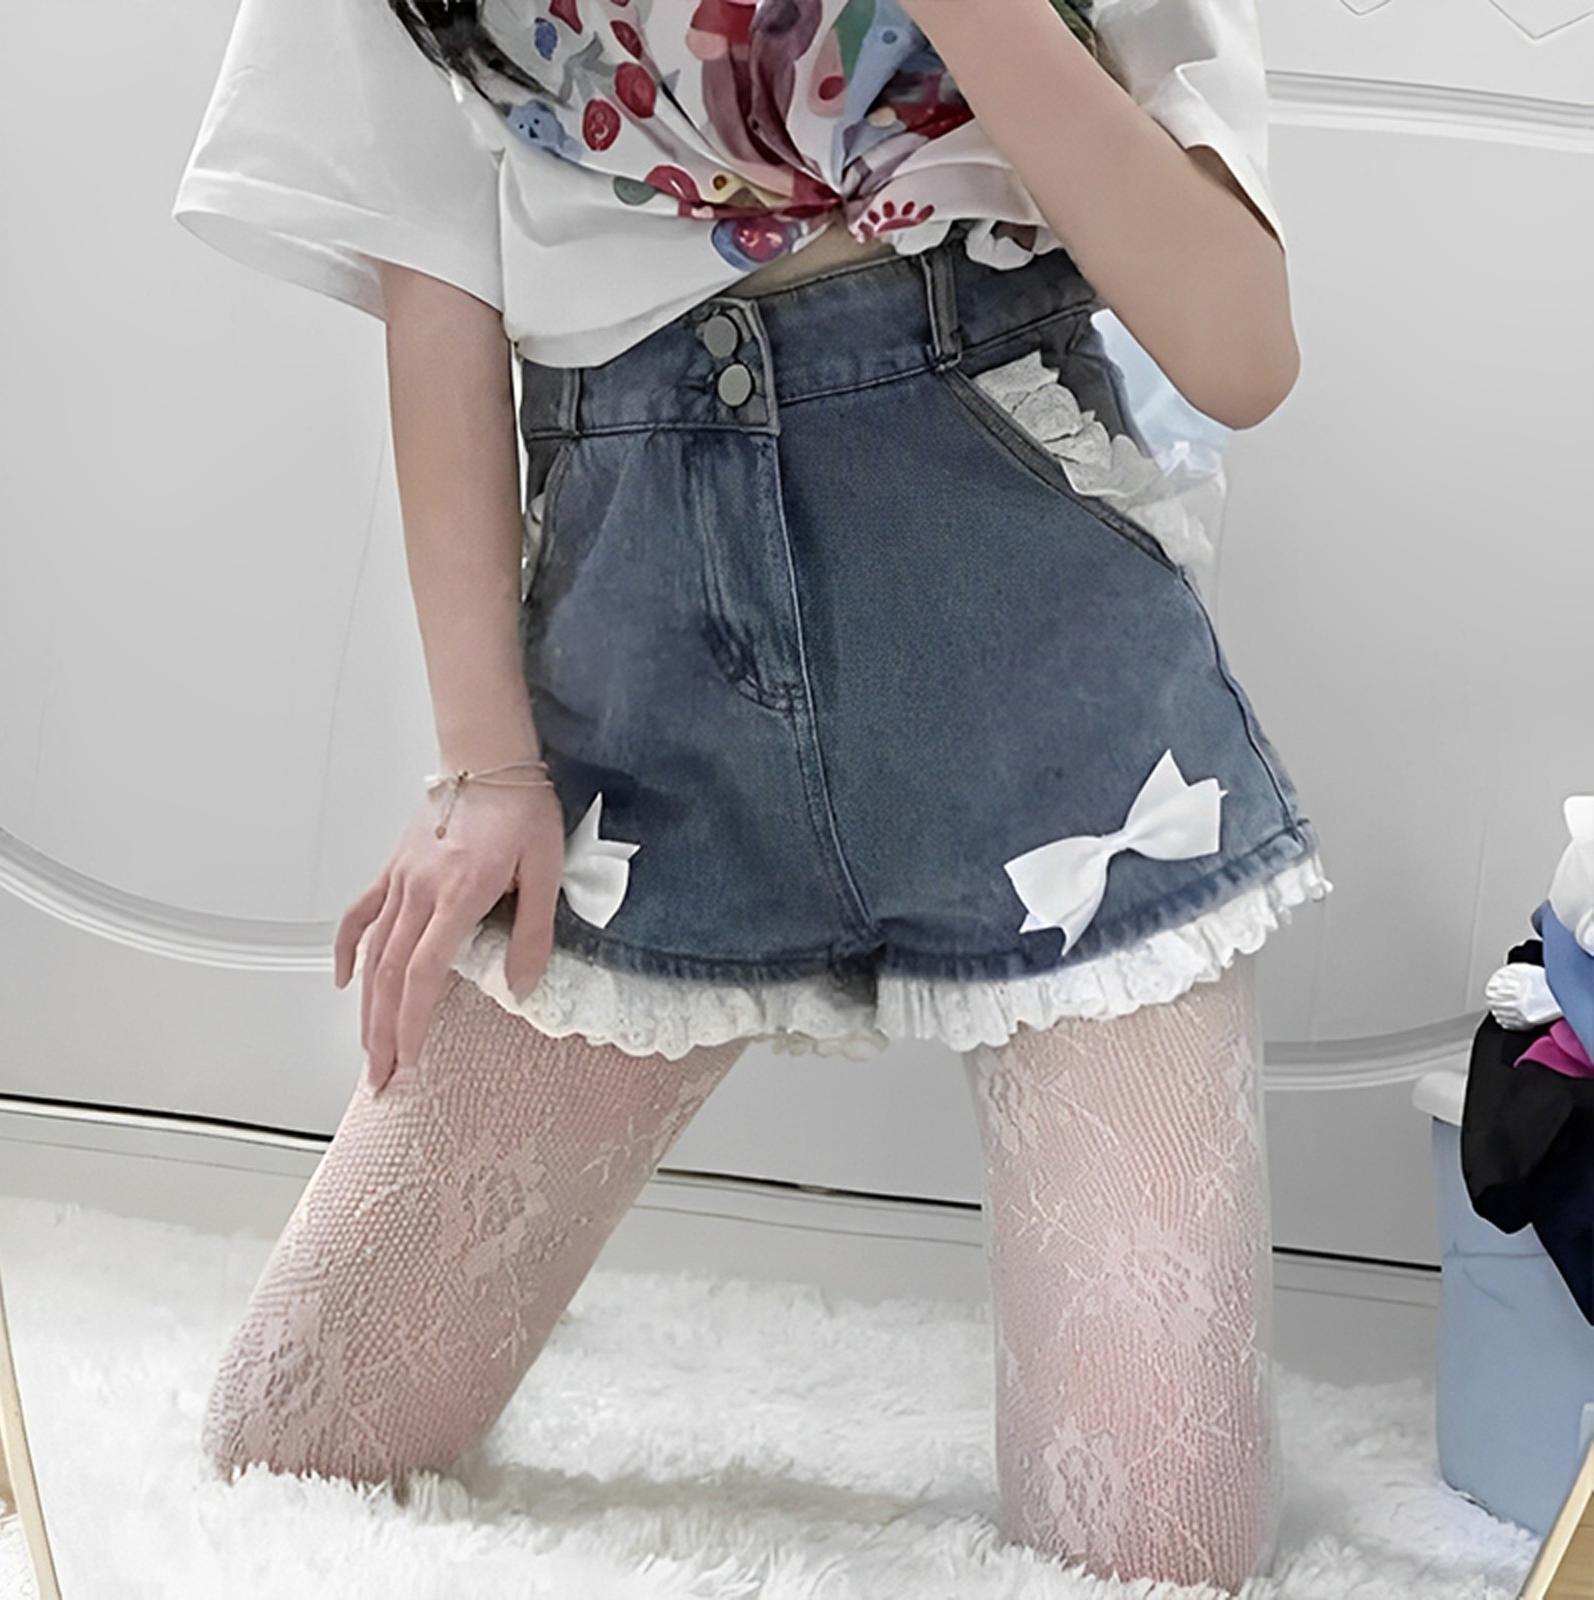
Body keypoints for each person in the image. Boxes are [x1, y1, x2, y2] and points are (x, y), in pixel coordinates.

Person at [171, 0, 1330, 1588]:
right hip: (640, 683)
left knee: (1160, 1552)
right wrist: (484, 766)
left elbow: (1241, 350)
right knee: (295, 1440)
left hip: (1050, 683)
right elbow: (432, 274)